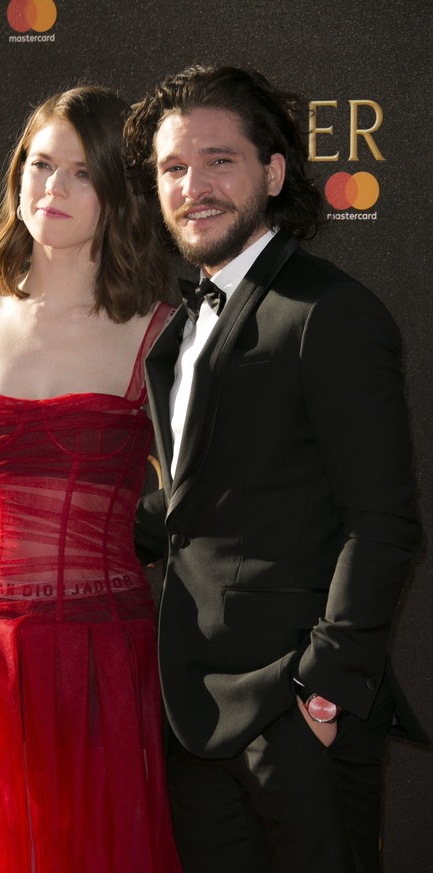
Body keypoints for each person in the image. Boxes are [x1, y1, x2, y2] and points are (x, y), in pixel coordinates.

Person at [123, 65, 426, 873]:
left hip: (295, 721)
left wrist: (319, 694)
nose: (196, 186)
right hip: (193, 716)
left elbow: (383, 522)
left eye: (220, 160)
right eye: (174, 169)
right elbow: (204, 500)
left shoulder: (332, 314)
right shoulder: (180, 328)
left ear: (275, 172)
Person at [0, 85, 182, 873]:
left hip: (101, 664)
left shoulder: (160, 331)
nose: (51, 189)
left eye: (81, 173)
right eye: (40, 165)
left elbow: (201, 500)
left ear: (119, 191)